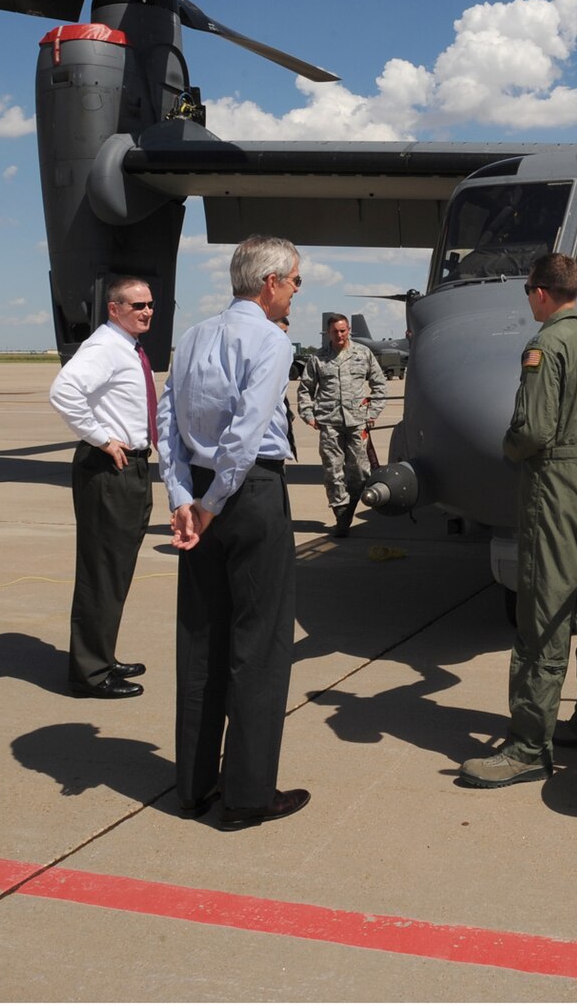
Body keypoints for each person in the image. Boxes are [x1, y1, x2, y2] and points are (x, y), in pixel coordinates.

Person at [460, 252, 577, 789]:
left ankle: (529, 744)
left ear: (539, 292)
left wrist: (510, 448)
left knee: (543, 612)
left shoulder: (544, 345)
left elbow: (532, 430)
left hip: (555, 485)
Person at [158, 236, 311, 829]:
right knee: (260, 645)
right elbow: (246, 435)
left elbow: (166, 422)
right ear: (270, 283)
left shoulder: (193, 336)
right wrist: (215, 504)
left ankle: (193, 785)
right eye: (295, 280)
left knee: (201, 640)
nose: (297, 291)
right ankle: (248, 794)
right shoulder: (271, 339)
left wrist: (181, 499)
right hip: (245, 495)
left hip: (198, 493)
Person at [47, 277, 158, 699]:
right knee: (103, 572)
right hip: (109, 467)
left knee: (116, 570)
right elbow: (64, 391)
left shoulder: (126, 347)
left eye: (150, 304)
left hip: (129, 468)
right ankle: (90, 674)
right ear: (114, 309)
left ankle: (101, 655)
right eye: (137, 306)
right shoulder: (105, 347)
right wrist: (100, 437)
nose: (147, 311)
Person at [298, 315, 387, 536]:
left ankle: (351, 505)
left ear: (349, 331)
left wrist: (372, 412)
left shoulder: (363, 354)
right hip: (329, 424)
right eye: (335, 331)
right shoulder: (318, 359)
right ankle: (341, 515)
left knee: (359, 471)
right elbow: (305, 389)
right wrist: (308, 415)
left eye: (343, 331)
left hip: (357, 423)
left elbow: (379, 385)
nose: (340, 335)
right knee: (333, 471)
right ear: (328, 333)